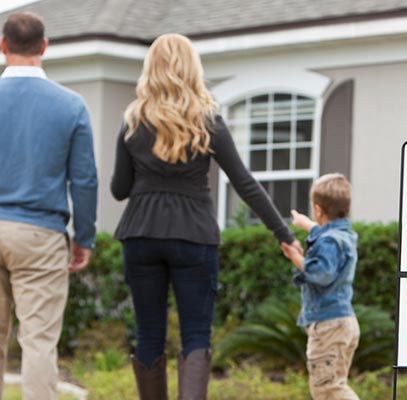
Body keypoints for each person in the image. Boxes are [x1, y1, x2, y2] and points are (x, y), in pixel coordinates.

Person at [111, 33, 302, 400]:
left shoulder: (132, 121)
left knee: (148, 333)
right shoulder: (207, 119)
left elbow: (120, 190)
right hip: (194, 235)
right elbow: (244, 182)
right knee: (196, 334)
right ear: (191, 68)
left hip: (141, 233)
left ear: (150, 69)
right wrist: (285, 235)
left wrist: (149, 173)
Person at [0, 12, 98, 400]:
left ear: (2, 45)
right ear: (44, 47)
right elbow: (85, 180)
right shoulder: (71, 106)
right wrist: (84, 238)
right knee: (39, 341)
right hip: (41, 234)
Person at [280, 173, 361, 400]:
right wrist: (307, 224)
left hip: (328, 324)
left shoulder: (329, 241)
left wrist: (295, 256)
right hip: (343, 322)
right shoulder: (345, 235)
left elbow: (320, 273)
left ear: (318, 209)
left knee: (328, 389)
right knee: (334, 386)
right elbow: (327, 236)